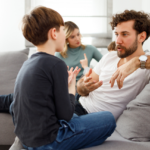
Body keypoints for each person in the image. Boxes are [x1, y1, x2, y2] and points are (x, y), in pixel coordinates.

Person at [6, 6, 115, 150]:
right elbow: (66, 115)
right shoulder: (56, 64)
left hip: (27, 138)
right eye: (63, 30)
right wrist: (71, 89)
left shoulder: (28, 62)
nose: (65, 35)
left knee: (80, 118)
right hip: (48, 141)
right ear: (54, 33)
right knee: (108, 119)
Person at [76, 9, 150, 120]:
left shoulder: (145, 64)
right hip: (78, 104)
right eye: (116, 34)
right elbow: (82, 88)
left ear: (142, 37)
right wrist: (82, 87)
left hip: (92, 117)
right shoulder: (110, 56)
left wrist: (136, 62)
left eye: (125, 34)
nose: (118, 41)